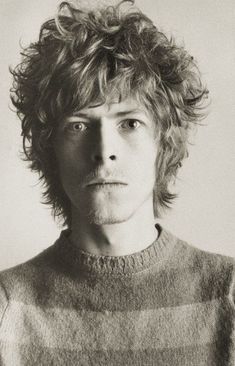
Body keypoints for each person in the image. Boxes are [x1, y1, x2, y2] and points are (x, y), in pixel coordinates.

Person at [0, 0, 234, 364]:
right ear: (51, 148)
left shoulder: (228, 296)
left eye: (130, 123)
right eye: (78, 125)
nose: (104, 151)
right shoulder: (6, 308)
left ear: (164, 141)